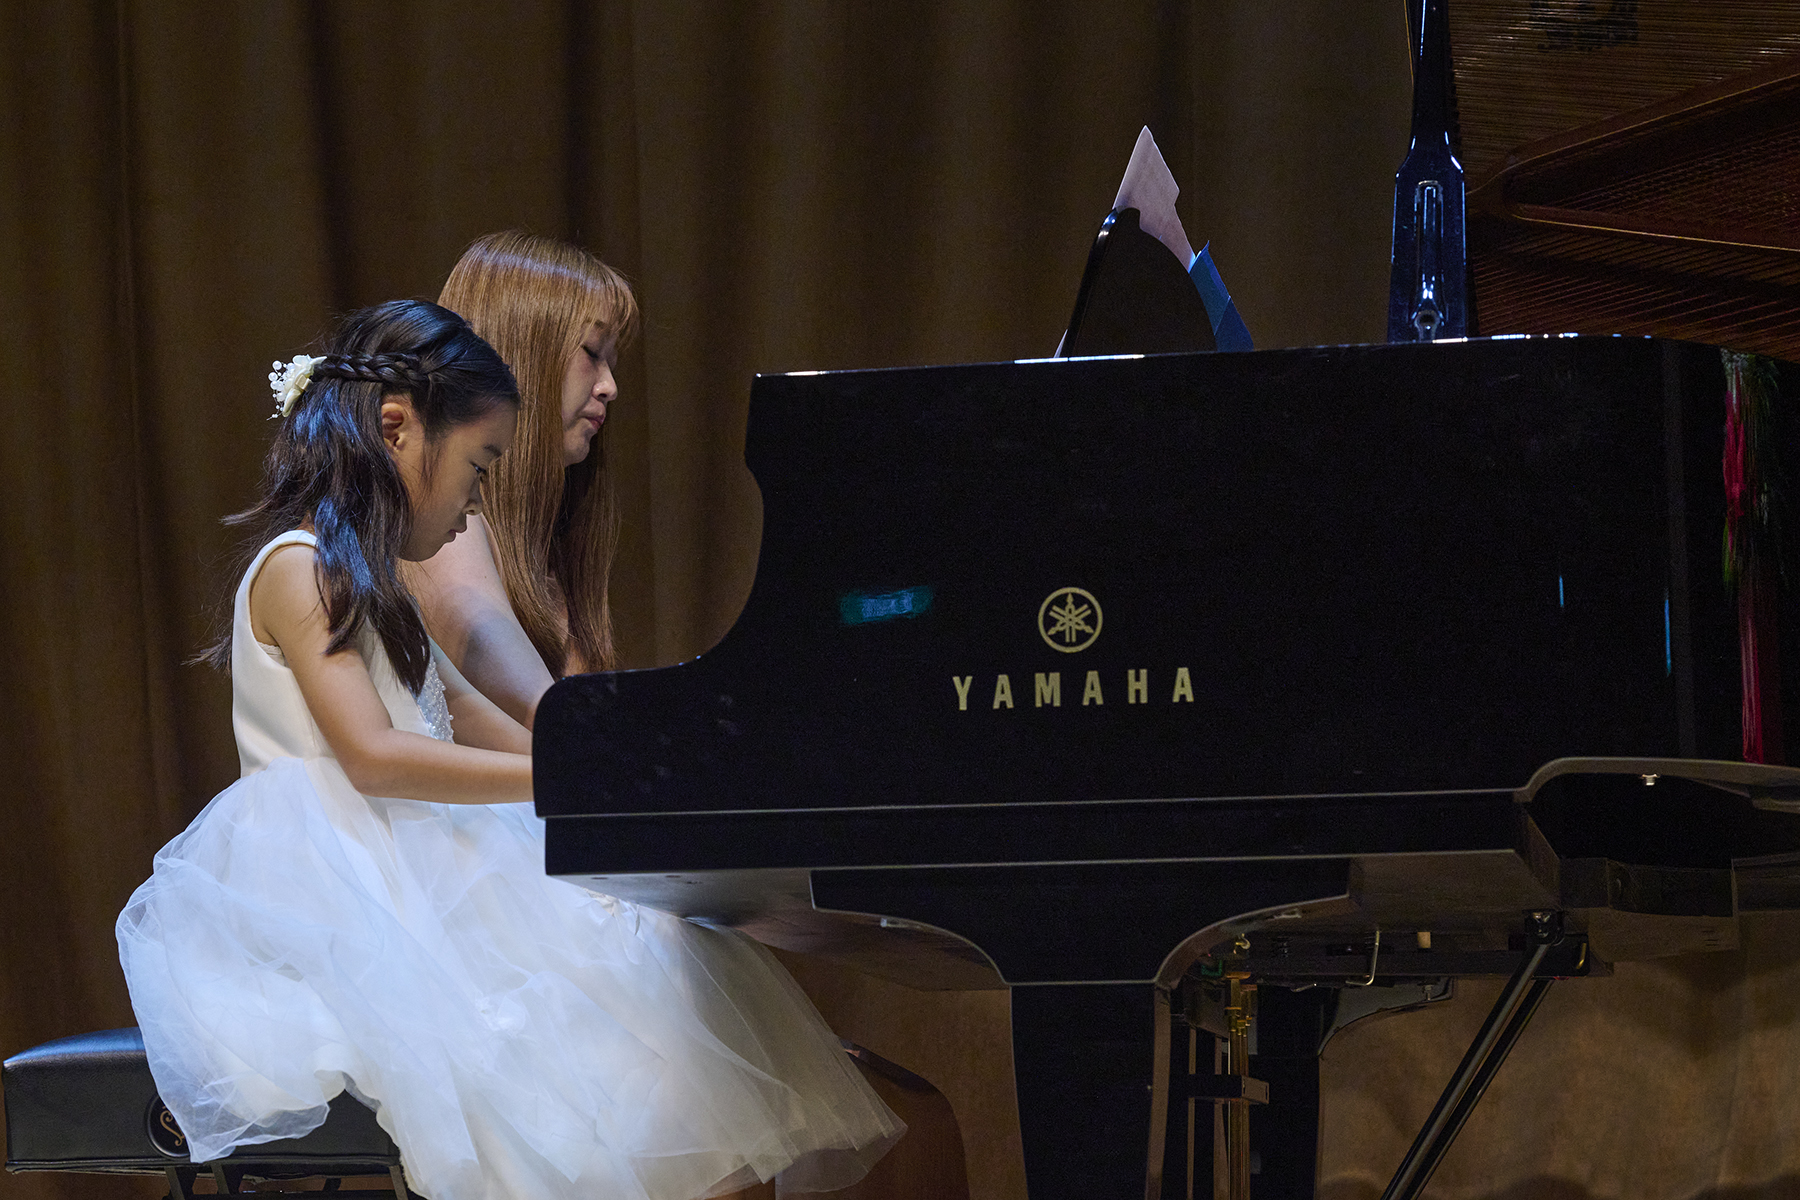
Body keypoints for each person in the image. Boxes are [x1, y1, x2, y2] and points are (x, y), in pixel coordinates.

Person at [116, 299, 902, 1200]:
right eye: (478, 466)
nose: (477, 502)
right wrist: (559, 778)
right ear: (396, 430)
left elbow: (464, 708)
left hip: (422, 859)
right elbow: (375, 756)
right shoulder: (301, 567)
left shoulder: (381, 585)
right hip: (346, 888)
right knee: (585, 1034)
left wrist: (625, 765)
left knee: (656, 959)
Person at [407, 231, 632, 727]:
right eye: (593, 352)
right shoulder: (447, 536)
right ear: (521, 353)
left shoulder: (552, 551)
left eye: (612, 363)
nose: (610, 387)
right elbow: (555, 724)